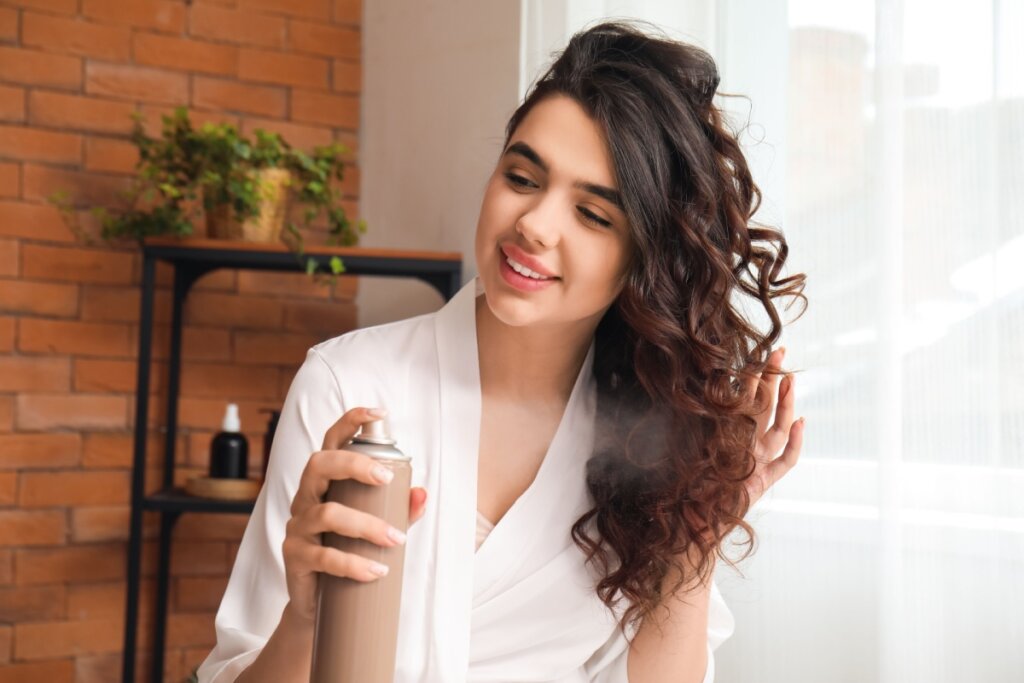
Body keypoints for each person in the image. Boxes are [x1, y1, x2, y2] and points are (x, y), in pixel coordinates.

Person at [197, 18, 807, 683]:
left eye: (593, 215)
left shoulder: (653, 439)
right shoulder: (350, 385)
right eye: (522, 177)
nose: (534, 225)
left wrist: (698, 540)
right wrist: (305, 618)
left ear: (645, 260)